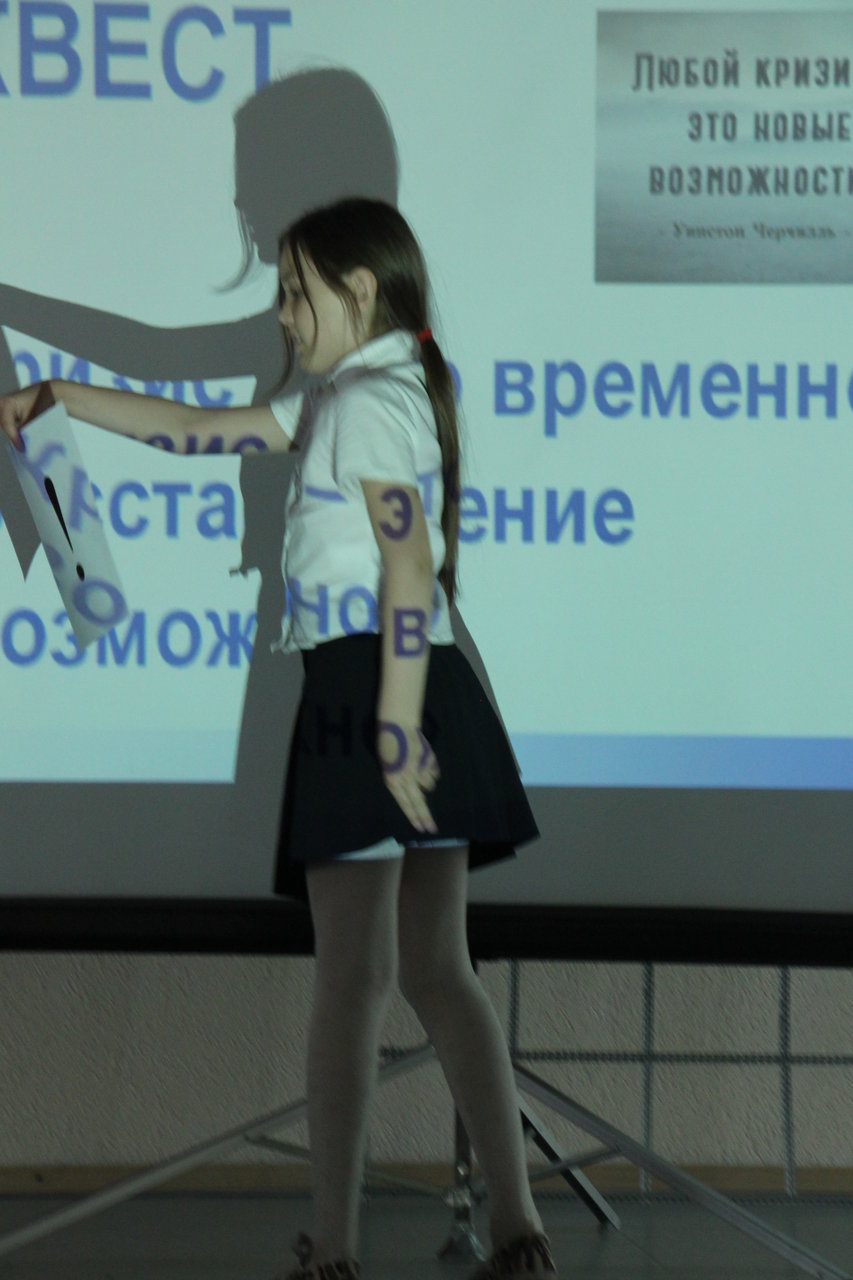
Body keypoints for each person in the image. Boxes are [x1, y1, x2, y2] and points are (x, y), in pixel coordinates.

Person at [0, 198, 555, 1280]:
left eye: (297, 292)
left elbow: (408, 564)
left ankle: (335, 1248)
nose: (281, 313)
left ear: (361, 291)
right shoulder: (357, 393)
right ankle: (516, 1228)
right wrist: (56, 396)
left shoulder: (364, 405)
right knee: (438, 971)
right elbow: (195, 431)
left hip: (377, 687)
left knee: (354, 979)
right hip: (415, 683)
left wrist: (390, 726)